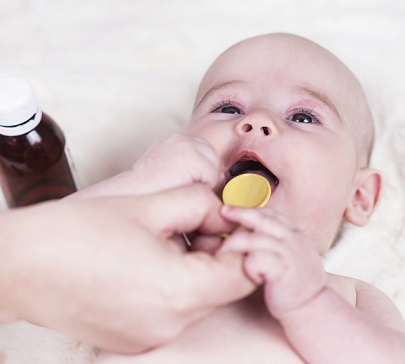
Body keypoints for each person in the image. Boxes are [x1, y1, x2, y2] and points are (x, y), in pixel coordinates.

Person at [81, 33, 405, 363]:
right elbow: (47, 246)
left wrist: (309, 302)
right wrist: (139, 185)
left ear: (359, 196)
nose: (257, 121)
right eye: (228, 107)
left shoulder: (349, 295)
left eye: (303, 117)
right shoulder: (152, 252)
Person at [0, 188, 255, 353]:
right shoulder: (147, 222)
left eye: (297, 118)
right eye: (228, 110)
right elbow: (67, 223)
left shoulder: (292, 272)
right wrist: (137, 180)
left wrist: (296, 305)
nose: (255, 122)